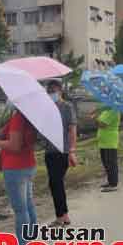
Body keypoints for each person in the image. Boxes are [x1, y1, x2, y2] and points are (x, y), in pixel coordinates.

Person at [0, 104, 38, 245]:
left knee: (21, 210)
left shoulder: (18, 118)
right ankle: (32, 238)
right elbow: (19, 142)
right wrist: (2, 145)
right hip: (28, 164)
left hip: (15, 168)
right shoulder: (31, 116)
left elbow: (15, 146)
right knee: (29, 204)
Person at [43, 80, 78, 226]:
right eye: (49, 90)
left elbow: (72, 129)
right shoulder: (47, 108)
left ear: (60, 91)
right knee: (54, 183)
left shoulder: (67, 107)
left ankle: (62, 216)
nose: (52, 93)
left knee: (56, 182)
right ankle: (63, 215)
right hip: (50, 150)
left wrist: (72, 150)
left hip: (62, 150)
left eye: (54, 90)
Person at [93, 106, 121, 192]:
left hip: (110, 141)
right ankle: (110, 181)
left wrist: (95, 118)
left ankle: (113, 184)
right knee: (106, 163)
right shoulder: (106, 110)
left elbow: (103, 125)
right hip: (103, 142)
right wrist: (97, 118)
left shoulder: (114, 111)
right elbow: (99, 123)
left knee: (111, 163)